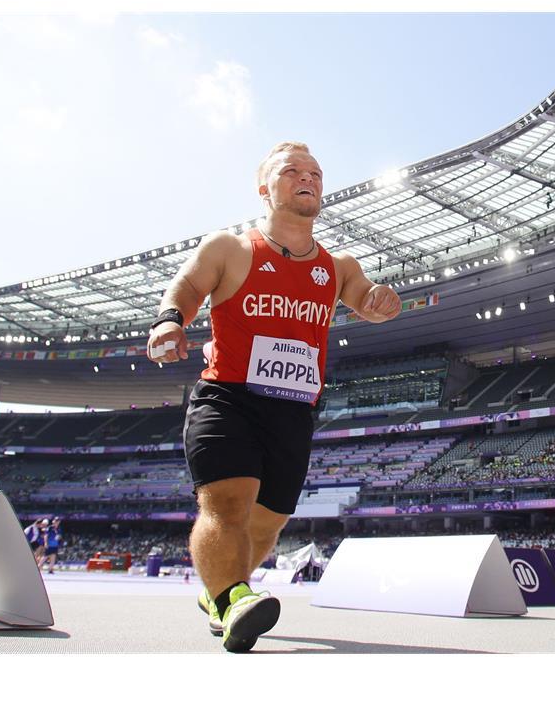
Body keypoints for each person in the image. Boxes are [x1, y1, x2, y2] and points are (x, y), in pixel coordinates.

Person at [146, 141, 401, 652]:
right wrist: (170, 322)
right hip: (228, 397)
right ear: (264, 189)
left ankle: (218, 595)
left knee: (268, 522)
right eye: (291, 172)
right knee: (226, 503)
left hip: (294, 409)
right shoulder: (231, 249)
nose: (307, 178)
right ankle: (233, 596)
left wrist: (378, 302)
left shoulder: (338, 265)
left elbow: (365, 298)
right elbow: (187, 286)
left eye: (315, 173)